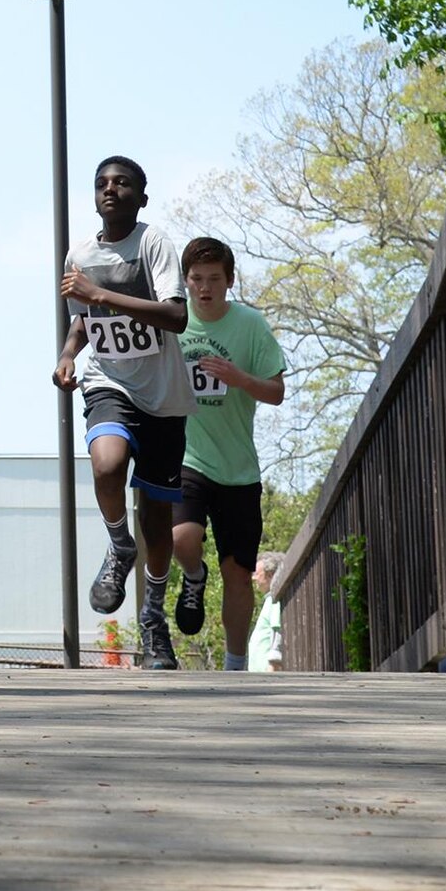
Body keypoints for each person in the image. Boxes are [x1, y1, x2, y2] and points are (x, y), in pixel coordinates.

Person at [55, 156, 193, 672]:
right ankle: (118, 546)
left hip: (163, 396)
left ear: (142, 196)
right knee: (107, 465)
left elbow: (177, 316)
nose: (110, 190)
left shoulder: (153, 243)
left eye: (123, 183)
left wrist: (101, 293)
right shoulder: (81, 254)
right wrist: (68, 355)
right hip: (109, 381)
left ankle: (154, 619)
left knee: (157, 521)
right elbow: (83, 322)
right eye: (102, 184)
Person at [170, 236, 288, 671]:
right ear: (185, 281)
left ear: (230, 281)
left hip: (238, 469)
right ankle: (194, 576)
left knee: (239, 575)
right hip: (188, 458)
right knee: (183, 539)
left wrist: (239, 378)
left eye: (214, 280)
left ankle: (235, 666)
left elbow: (276, 391)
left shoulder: (250, 326)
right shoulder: (174, 323)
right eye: (197, 279)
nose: (205, 288)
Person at [246, 552, 285, 672]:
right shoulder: (270, 600)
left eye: (257, 574)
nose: (254, 578)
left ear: (271, 575)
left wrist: (273, 665)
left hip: (266, 674)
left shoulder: (275, 600)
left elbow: (277, 633)